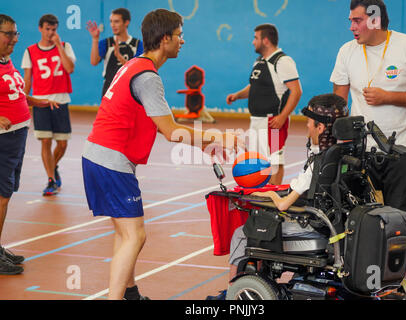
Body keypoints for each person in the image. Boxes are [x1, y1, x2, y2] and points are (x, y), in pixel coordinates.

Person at [82, 8, 242, 300]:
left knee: (124, 233)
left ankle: (129, 293)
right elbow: (170, 130)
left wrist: (203, 144)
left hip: (96, 156)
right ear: (165, 38)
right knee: (135, 235)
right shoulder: (147, 77)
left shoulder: (133, 66)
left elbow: (156, 126)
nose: (183, 41)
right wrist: (218, 136)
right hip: (110, 160)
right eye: (180, 35)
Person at [330, 0, 406, 300]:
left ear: (375, 19)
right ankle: (365, 283)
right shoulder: (346, 52)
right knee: (359, 220)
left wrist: (388, 97)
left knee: (405, 220)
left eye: (357, 20)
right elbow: (339, 105)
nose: (351, 27)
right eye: (350, 20)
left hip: (403, 152)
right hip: (362, 153)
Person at [206, 93, 348, 300]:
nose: (307, 126)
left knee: (242, 232)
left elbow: (283, 205)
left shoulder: (318, 163)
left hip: (313, 227)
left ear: (320, 127)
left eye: (309, 122)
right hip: (334, 226)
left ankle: (233, 293)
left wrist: (271, 193)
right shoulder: (343, 154)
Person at [0, 14, 58, 275]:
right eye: (8, 34)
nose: (14, 39)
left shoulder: (6, 61)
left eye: (15, 34)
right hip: (3, 139)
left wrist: (36, 101)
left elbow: (15, 93)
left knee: (6, 194)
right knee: (1, 197)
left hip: (17, 137)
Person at [226, 24, 302, 185]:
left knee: (274, 161)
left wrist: (282, 117)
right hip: (256, 121)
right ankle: (263, 196)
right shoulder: (259, 61)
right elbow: (254, 86)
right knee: (259, 161)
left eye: (256, 38)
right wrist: (237, 96)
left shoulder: (282, 61)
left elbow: (296, 91)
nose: (253, 42)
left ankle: (273, 199)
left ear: (266, 40)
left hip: (272, 122)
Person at [22, 14, 76, 196]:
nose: (50, 33)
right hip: (41, 101)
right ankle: (51, 179)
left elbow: (69, 69)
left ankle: (53, 166)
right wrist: (24, 100)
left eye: (53, 29)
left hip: (60, 100)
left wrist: (59, 46)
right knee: (45, 140)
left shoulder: (65, 46)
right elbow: (27, 79)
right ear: (40, 28)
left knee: (62, 143)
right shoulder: (30, 51)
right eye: (47, 29)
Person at [87, 8, 144, 97]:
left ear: (126, 22)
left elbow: (135, 70)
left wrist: (119, 56)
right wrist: (95, 39)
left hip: (130, 89)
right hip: (109, 88)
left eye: (116, 21)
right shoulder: (106, 42)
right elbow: (94, 62)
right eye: (111, 21)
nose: (113, 25)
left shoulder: (138, 44)